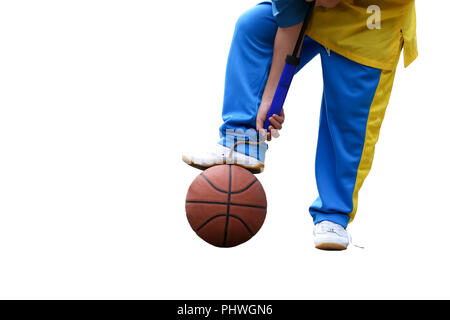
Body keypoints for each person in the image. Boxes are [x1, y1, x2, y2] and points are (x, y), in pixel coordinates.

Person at [182, 0, 418, 250]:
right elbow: (288, 20)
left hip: (372, 22)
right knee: (254, 28)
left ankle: (333, 214)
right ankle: (242, 141)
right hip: (314, 12)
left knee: (349, 124)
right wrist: (272, 93)